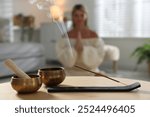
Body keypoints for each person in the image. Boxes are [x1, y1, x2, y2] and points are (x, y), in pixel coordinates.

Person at [56, 4, 105, 75]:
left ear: (86, 16)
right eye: (76, 15)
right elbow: (60, 54)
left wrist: (84, 49)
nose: (79, 18)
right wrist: (74, 50)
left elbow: (100, 54)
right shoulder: (66, 36)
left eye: (82, 15)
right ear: (72, 17)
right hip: (70, 72)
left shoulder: (93, 35)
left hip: (90, 72)